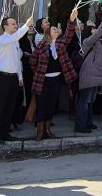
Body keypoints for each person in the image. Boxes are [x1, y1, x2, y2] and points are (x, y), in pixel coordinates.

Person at [32, 11, 78, 140]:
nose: (56, 30)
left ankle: (47, 129)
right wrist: (38, 72)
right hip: (43, 80)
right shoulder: (42, 44)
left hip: (56, 79)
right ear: (48, 33)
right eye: (54, 29)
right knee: (41, 105)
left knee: (52, 104)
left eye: (57, 29)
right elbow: (33, 61)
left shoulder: (61, 43)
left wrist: (71, 20)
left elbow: (69, 33)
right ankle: (40, 132)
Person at [0, 16, 33, 143]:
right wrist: (26, 26)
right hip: (3, 77)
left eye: (15, 24)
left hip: (13, 78)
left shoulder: (15, 42)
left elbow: (17, 61)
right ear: (5, 26)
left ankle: (5, 132)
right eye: (13, 24)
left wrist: (19, 77)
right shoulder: (1, 39)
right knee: (0, 106)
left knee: (10, 107)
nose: (15, 25)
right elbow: (15, 37)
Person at [76, 9, 102, 133]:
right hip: (88, 76)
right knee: (84, 101)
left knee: (90, 101)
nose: (95, 29)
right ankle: (80, 125)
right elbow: (98, 34)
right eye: (92, 28)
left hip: (95, 77)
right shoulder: (87, 42)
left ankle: (88, 122)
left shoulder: (97, 42)